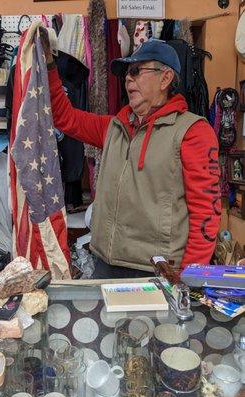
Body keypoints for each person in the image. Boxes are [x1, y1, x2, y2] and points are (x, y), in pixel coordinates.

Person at [42, 34, 221, 279]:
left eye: (137, 71)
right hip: (105, 263)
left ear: (165, 78)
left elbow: (206, 212)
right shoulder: (115, 126)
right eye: (127, 72)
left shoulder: (193, 132)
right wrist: (50, 66)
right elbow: (65, 117)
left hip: (156, 272)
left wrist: (192, 278)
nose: (127, 78)